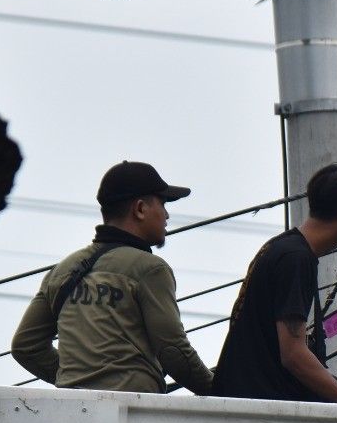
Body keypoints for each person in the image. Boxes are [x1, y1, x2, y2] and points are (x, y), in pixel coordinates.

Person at [12, 161, 214, 394]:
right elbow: (174, 353)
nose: (167, 214)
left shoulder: (62, 270)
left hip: (72, 412)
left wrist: (78, 380)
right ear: (140, 209)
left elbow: (26, 346)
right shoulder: (150, 269)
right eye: (163, 203)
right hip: (134, 415)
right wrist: (221, 389)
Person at [213, 163, 337, 410]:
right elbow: (293, 354)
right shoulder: (296, 259)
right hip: (258, 412)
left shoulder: (282, 247)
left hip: (244, 403)